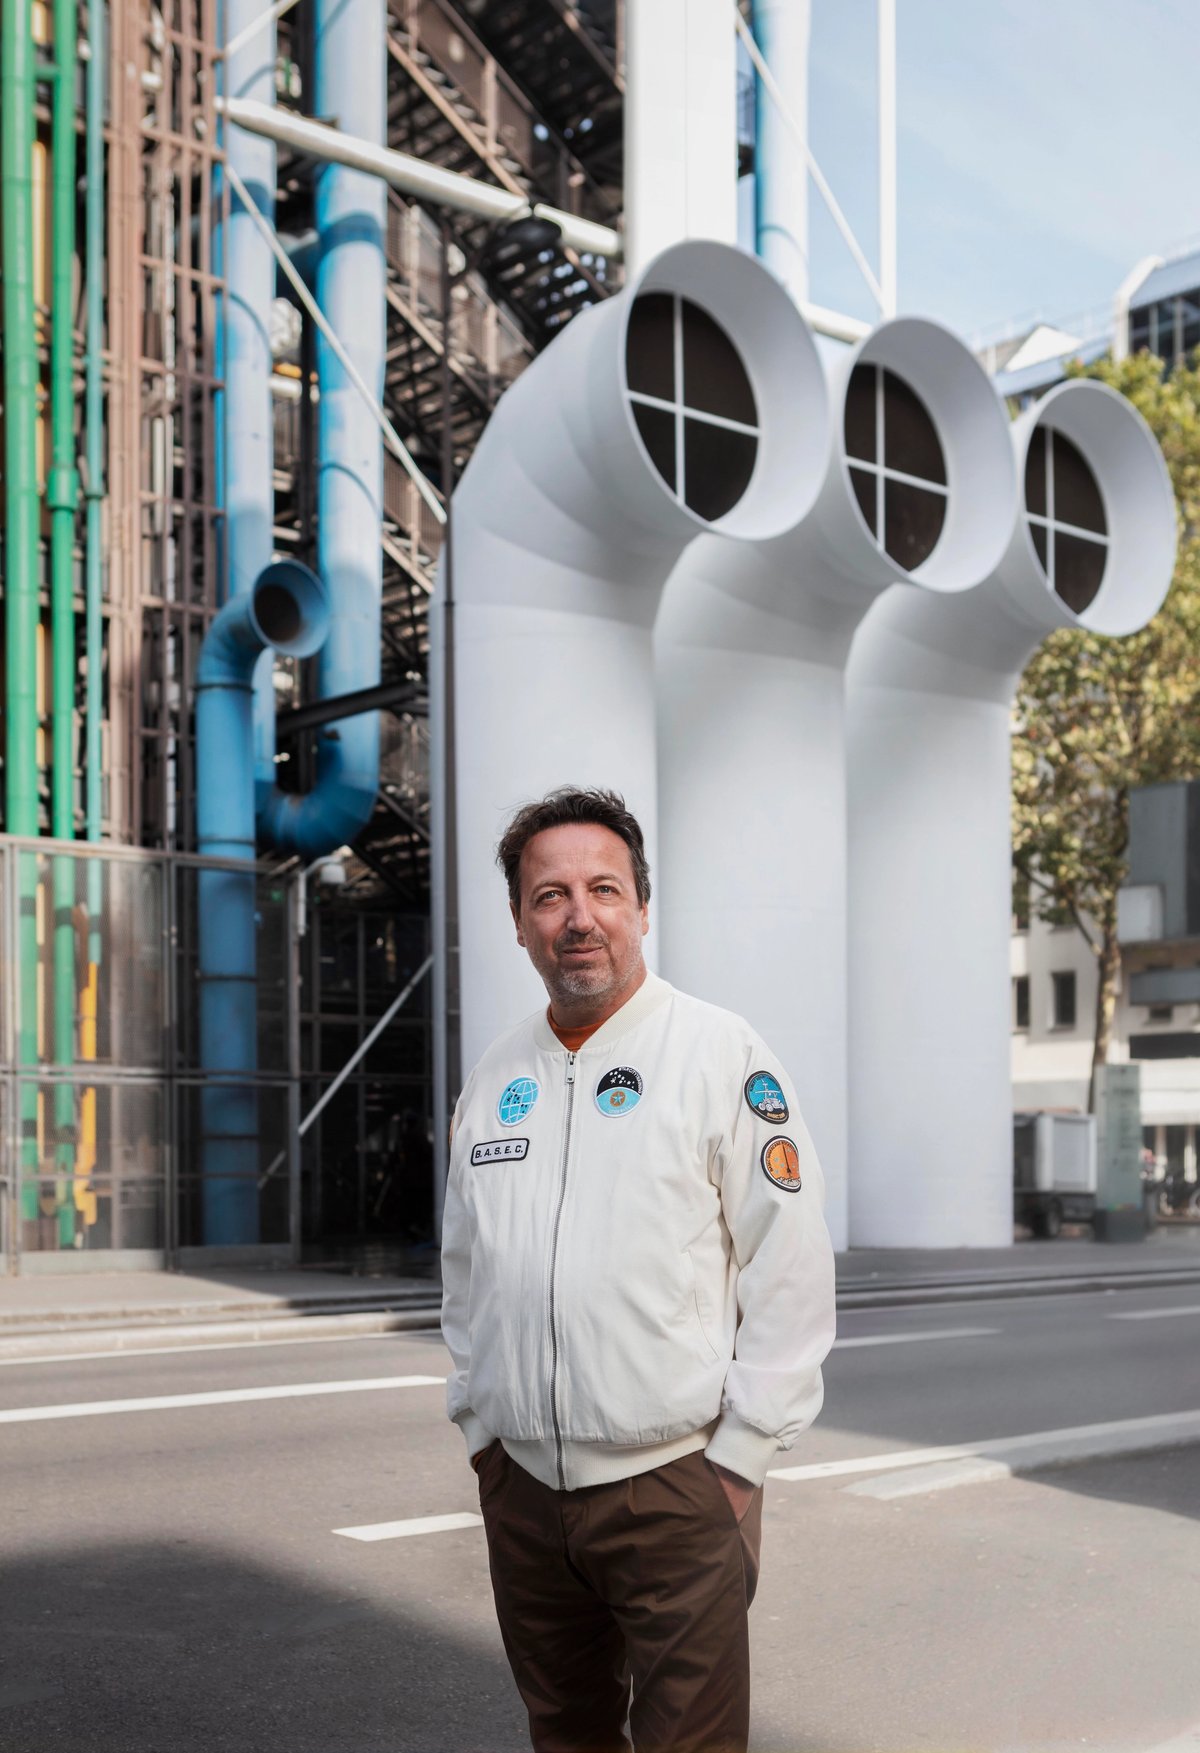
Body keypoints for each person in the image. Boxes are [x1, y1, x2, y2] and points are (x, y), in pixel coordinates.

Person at [440, 787, 836, 1753]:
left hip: (675, 1487)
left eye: (604, 889)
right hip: (525, 1494)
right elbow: (467, 1270)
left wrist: (738, 1461)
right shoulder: (496, 1080)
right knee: (565, 1737)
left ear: (642, 909)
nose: (579, 916)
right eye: (550, 895)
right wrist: (482, 1426)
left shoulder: (720, 1053)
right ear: (520, 923)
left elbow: (789, 1264)